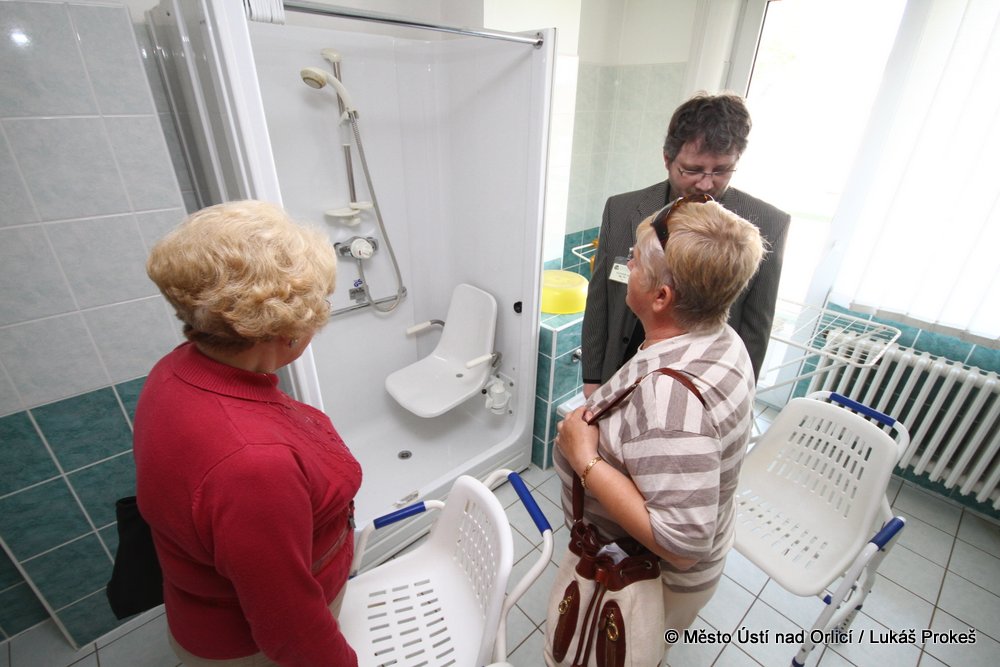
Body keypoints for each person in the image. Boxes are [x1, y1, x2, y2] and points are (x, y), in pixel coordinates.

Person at [134, 200, 360, 666]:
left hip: (200, 611)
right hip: (250, 648)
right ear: (288, 329)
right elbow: (291, 628)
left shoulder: (174, 370)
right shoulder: (253, 464)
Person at [549, 196, 765, 663]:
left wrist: (584, 458)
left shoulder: (672, 397)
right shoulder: (721, 338)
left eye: (635, 259)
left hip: (646, 578)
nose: (626, 264)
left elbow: (682, 545)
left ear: (661, 296)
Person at [581, 92, 789, 395]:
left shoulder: (765, 225)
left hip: (694, 384)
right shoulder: (622, 209)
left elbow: (756, 328)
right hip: (621, 368)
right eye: (692, 170)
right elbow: (600, 298)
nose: (706, 183)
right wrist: (592, 377)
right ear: (667, 159)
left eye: (721, 170)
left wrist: (733, 392)